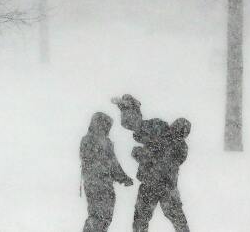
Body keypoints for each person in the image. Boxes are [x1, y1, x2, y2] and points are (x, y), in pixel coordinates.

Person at [112, 94, 191, 232]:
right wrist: (127, 108)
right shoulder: (167, 135)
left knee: (142, 220)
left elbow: (162, 161)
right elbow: (136, 127)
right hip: (165, 187)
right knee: (175, 220)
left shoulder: (170, 138)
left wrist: (142, 155)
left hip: (154, 185)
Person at [81, 112, 134, 232]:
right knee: (100, 217)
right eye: (106, 125)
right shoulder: (98, 141)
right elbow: (112, 163)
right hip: (99, 184)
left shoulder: (89, 140)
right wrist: (123, 178)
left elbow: (112, 163)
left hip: (98, 184)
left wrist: (123, 178)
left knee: (101, 217)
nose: (107, 128)